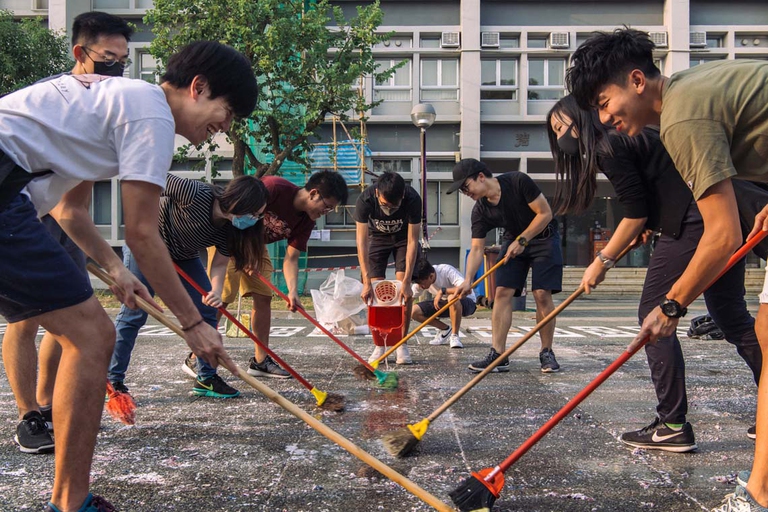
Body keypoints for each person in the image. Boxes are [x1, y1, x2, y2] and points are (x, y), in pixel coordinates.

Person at [0, 39, 256, 512]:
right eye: (227, 111)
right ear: (197, 88)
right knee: (93, 336)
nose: (224, 127)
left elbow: (69, 210)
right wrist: (193, 324)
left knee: (88, 333)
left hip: (13, 196)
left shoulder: (121, 102)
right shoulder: (151, 112)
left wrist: (117, 271)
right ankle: (71, 503)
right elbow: (142, 233)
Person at [566, 28, 768, 511]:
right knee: (762, 330)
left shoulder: (682, 117)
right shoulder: (691, 92)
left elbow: (723, 236)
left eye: (604, 101)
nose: (604, 117)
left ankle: (758, 493)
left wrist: (671, 304)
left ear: (637, 80)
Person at [547, 95, 762, 453]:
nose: (559, 139)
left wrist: (603, 261)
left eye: (559, 128)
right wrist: (646, 226)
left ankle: (672, 424)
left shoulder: (608, 145)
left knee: (655, 314)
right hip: (714, 215)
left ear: (579, 120)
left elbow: (633, 215)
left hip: (692, 222)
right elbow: (650, 199)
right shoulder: (632, 135)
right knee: (732, 317)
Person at [1, 11, 133, 455]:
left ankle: (47, 400)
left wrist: (114, 267)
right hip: (15, 212)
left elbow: (71, 206)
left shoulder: (103, 107)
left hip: (52, 219)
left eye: (124, 61)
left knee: (72, 322)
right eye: (108, 59)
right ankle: (29, 417)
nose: (117, 70)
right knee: (26, 320)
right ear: (81, 54)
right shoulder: (61, 99)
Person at [109, 173, 268, 399]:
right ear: (239, 200)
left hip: (183, 256)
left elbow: (219, 264)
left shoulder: (229, 227)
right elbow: (147, 180)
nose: (254, 219)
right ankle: (112, 380)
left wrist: (214, 290)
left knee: (207, 310)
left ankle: (206, 378)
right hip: (145, 245)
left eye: (258, 215)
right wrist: (142, 220)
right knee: (135, 312)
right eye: (254, 212)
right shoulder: (193, 193)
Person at [206, 170, 348, 378]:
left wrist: (292, 291)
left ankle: (260, 361)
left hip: (256, 246)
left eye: (331, 209)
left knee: (263, 296)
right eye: (326, 206)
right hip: (228, 238)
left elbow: (291, 257)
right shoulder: (274, 187)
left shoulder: (307, 220)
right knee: (223, 297)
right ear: (314, 193)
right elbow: (238, 213)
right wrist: (244, 252)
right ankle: (197, 356)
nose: (326, 212)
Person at [450, 158, 563, 374]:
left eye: (466, 186)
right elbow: (476, 249)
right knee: (501, 292)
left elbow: (545, 213)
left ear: (481, 177)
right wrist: (468, 280)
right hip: (514, 241)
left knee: (541, 294)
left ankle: (546, 352)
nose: (466, 192)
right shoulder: (480, 210)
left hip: (544, 239)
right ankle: (498, 354)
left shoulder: (518, 181)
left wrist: (523, 241)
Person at [354, 171, 422, 365]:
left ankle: (402, 342)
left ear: (402, 196)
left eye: (394, 207)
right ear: (377, 194)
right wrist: (366, 282)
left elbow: (412, 241)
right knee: (377, 292)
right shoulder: (365, 199)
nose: (389, 210)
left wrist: (408, 282)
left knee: (403, 291)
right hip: (377, 239)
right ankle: (380, 343)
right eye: (385, 205)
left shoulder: (412, 199)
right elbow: (361, 241)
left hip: (403, 240)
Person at [410, 259, 476, 349]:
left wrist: (443, 291)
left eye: (422, 283)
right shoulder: (419, 284)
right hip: (445, 303)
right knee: (414, 311)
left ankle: (455, 336)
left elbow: (467, 290)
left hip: (467, 302)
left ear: (431, 276)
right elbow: (408, 301)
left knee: (451, 298)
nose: (420, 286)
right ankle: (445, 329)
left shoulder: (446, 270)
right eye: (418, 283)